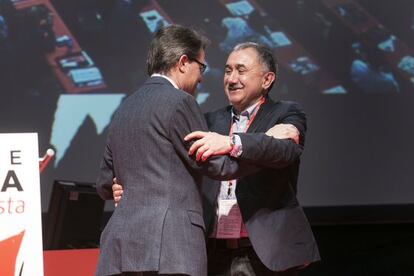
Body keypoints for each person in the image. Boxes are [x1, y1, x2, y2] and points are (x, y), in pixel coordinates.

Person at [96, 25, 300, 276]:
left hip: (120, 247)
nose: (202, 77)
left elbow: (105, 183)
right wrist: (262, 140)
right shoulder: (181, 102)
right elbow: (218, 166)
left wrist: (122, 185)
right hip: (170, 249)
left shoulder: (124, 108)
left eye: (240, 70)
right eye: (201, 67)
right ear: (183, 62)